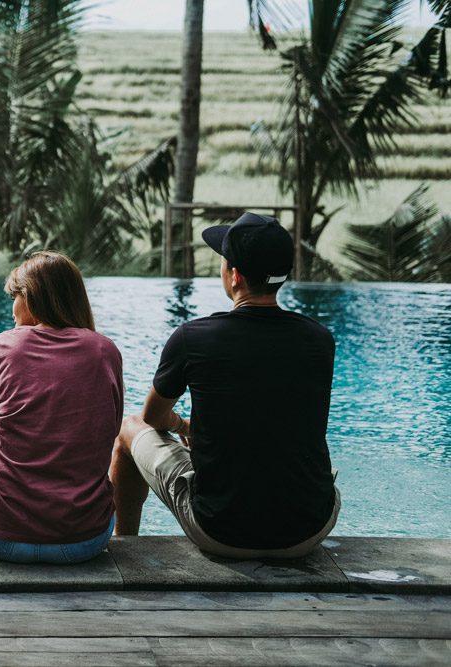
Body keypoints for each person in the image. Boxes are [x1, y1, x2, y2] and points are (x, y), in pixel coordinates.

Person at [111, 212, 340, 558]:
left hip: (220, 531)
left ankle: (123, 550)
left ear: (234, 276)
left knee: (129, 429)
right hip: (310, 530)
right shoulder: (320, 340)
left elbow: (154, 417)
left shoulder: (193, 338)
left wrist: (182, 425)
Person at [0, 251, 123, 564]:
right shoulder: (104, 351)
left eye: (15, 297)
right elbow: (108, 429)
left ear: (31, 297)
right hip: (84, 540)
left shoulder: (0, 347)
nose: (12, 309)